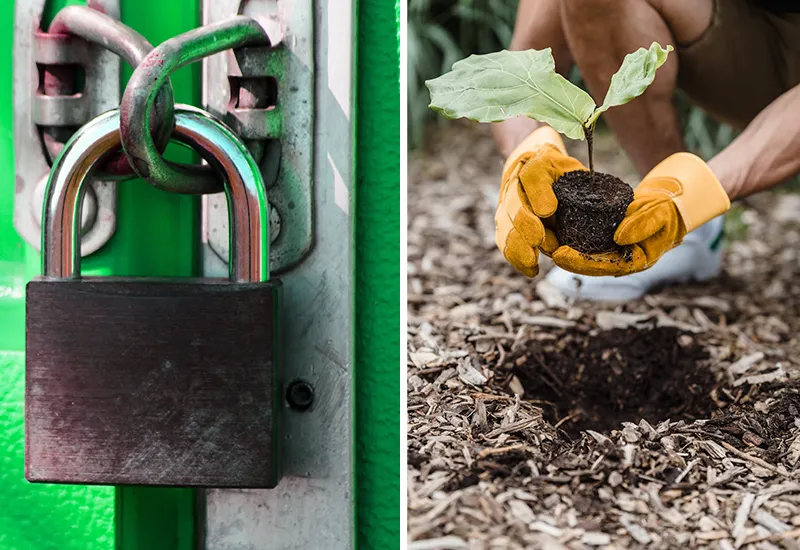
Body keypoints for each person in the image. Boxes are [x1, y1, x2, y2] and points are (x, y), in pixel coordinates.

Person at [493, 0, 800, 301]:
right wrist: (526, 151)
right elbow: (521, 69)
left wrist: (694, 191)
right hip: (749, 51)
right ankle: (680, 237)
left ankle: (680, 223)